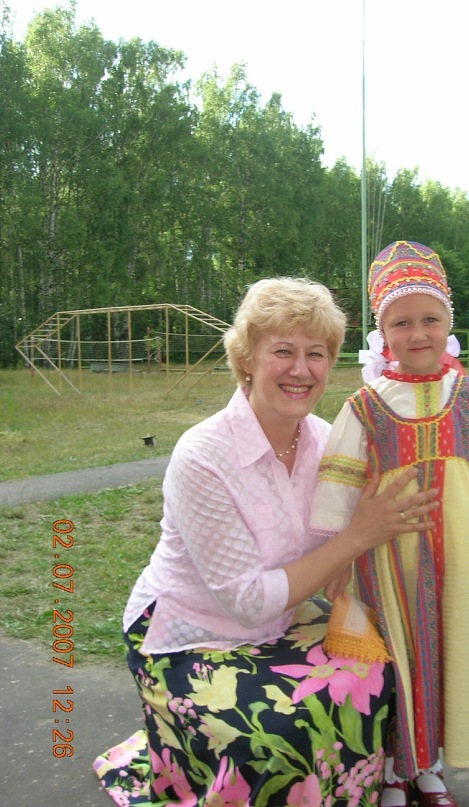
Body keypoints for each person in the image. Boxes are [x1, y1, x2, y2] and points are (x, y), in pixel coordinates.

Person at [93, 276, 440, 807]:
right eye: (282, 351)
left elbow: (360, 538)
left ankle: (367, 788)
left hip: (285, 618)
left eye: (316, 354)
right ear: (246, 358)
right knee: (280, 732)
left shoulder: (328, 442)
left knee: (388, 669)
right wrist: (357, 536)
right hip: (189, 634)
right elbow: (249, 601)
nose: (301, 370)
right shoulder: (203, 455)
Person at [310, 242, 469, 807]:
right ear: (382, 334)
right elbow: (338, 482)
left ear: (449, 325)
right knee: (392, 658)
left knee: (443, 653)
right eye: (401, 323)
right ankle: (390, 769)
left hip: (452, 562)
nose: (418, 333)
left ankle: (429, 767)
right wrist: (336, 560)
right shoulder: (365, 406)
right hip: (385, 561)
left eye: (430, 319)